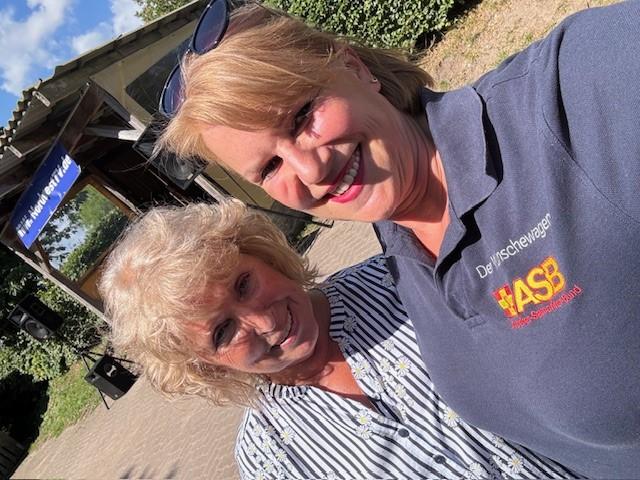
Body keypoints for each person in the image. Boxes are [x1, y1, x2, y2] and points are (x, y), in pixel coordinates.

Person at [155, 1, 640, 477]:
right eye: (270, 167)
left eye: (301, 116)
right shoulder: (400, 252)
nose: (311, 170)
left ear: (354, 67)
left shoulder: (577, 87)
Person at [98, 201, 580, 480]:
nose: (263, 320)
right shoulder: (270, 455)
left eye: (243, 284)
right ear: (206, 365)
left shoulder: (405, 281)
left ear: (262, 254)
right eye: (223, 331)